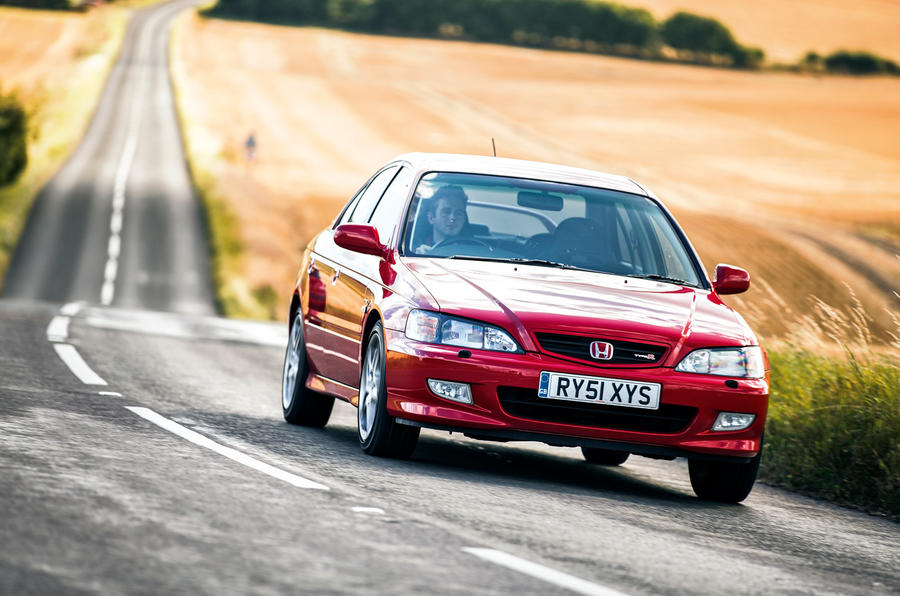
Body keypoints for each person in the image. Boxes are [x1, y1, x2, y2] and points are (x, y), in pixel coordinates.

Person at [415, 185, 469, 253]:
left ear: (464, 219)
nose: (452, 218)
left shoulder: (474, 251)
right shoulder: (414, 248)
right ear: (431, 218)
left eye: (458, 213)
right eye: (446, 212)